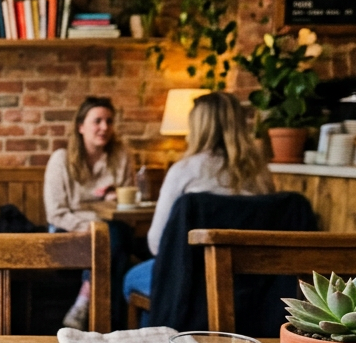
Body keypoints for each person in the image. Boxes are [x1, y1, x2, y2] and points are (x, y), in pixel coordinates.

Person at [123, 91, 274, 308]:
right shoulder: (261, 173)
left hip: (189, 280)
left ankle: (161, 334)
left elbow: (157, 244)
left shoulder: (184, 171)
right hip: (252, 284)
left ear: (199, 127)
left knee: (132, 279)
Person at [43, 97, 133, 330]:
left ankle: (85, 302)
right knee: (113, 240)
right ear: (81, 127)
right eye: (98, 121)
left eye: (109, 121)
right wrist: (94, 225)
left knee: (117, 237)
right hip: (68, 229)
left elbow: (128, 206)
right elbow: (56, 213)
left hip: (110, 230)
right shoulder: (61, 160)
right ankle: (111, 322)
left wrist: (115, 200)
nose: (104, 127)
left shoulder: (120, 157)